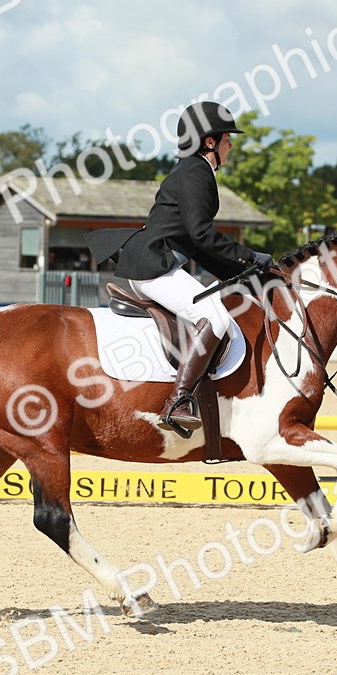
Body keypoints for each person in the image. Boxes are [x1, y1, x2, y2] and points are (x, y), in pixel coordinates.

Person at [86, 101, 273, 434]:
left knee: (212, 310)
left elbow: (193, 243)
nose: (232, 145)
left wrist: (242, 275)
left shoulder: (190, 170)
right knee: (214, 317)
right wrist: (250, 257)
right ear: (209, 142)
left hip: (156, 261)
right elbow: (202, 234)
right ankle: (179, 400)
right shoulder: (197, 171)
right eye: (227, 139)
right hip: (153, 265)